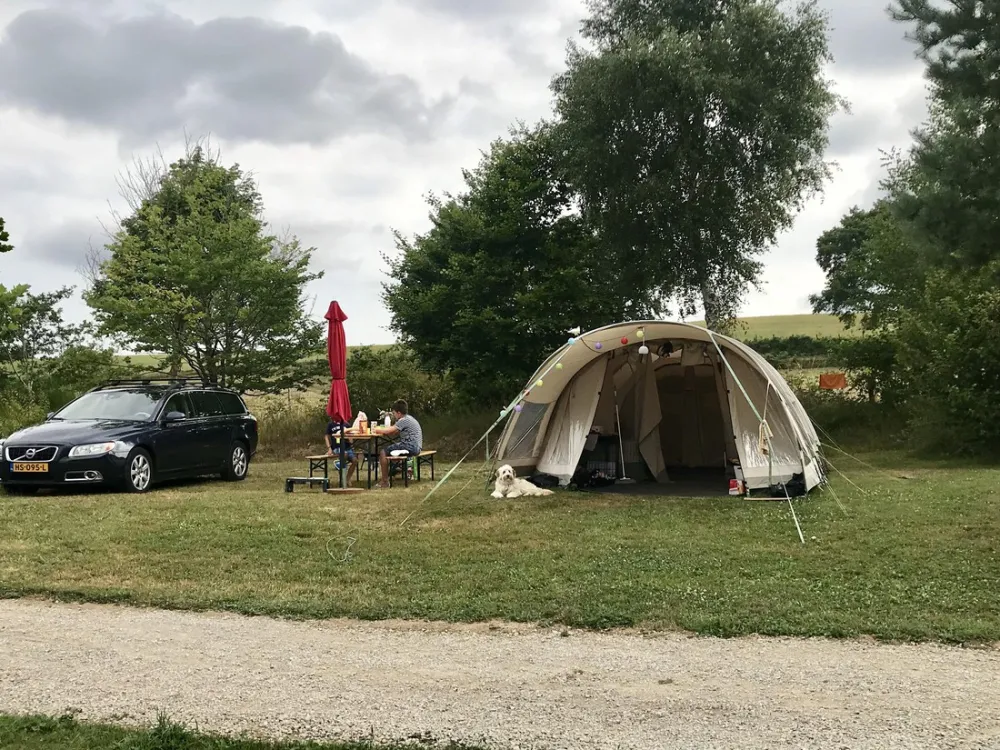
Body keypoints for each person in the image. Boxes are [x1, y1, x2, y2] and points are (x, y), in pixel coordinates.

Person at [373, 399, 422, 488]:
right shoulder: (409, 418)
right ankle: (396, 470)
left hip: (411, 446)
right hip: (416, 446)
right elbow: (394, 432)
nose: (394, 415)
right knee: (393, 452)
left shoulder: (403, 420)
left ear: (399, 413)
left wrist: (375, 429)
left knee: (383, 452)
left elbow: (388, 431)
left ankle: (385, 481)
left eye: (394, 413)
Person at [325, 418, 358, 485]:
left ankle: (347, 478)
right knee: (344, 455)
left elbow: (351, 438)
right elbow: (326, 436)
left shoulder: (346, 424)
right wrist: (329, 448)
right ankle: (342, 477)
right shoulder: (331, 424)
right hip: (337, 447)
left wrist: (351, 439)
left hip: (347, 447)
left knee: (355, 460)